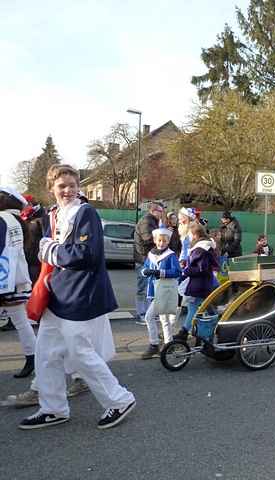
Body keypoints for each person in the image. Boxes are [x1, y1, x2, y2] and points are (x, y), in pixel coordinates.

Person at [19, 164, 135, 430]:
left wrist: (50, 251)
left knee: (80, 352)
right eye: (62, 186)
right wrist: (48, 251)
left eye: (72, 185)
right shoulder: (56, 214)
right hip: (57, 294)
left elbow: (87, 255)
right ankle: (53, 408)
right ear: (52, 189)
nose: (68, 190)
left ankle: (120, 400)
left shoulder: (86, 213)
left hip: (80, 294)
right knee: (46, 352)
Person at [0, 187, 36, 377]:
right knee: (21, 322)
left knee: (21, 322)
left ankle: (34, 359)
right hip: (15, 279)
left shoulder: (2, 219)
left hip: (3, 280)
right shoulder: (16, 220)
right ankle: (33, 359)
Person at [140, 227, 181, 359]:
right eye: (159, 240)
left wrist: (160, 273)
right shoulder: (151, 254)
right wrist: (145, 272)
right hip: (154, 290)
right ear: (155, 240)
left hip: (164, 290)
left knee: (150, 317)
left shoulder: (171, 255)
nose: (161, 243)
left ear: (168, 241)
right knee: (164, 319)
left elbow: (177, 272)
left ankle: (154, 345)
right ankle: (168, 345)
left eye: (164, 241)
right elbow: (145, 267)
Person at [174, 223, 219, 340]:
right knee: (205, 307)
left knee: (193, 307)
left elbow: (200, 268)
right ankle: (215, 327)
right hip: (202, 283)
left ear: (194, 235)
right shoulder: (204, 247)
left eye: (189, 234)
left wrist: (186, 270)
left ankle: (184, 332)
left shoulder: (201, 249)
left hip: (199, 284)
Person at [134, 201, 164, 322]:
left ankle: (149, 313)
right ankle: (142, 313)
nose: (161, 214)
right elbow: (147, 238)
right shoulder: (147, 221)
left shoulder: (153, 221)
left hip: (148, 257)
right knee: (143, 287)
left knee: (150, 286)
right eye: (160, 211)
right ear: (153, 211)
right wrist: (161, 237)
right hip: (143, 258)